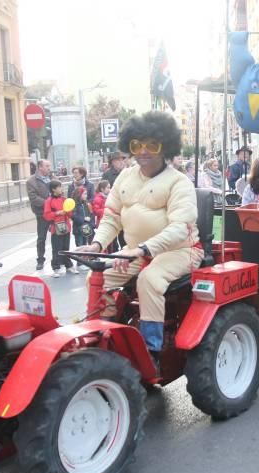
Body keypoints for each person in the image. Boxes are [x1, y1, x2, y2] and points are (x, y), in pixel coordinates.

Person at [77, 110, 203, 365]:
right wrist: (97, 244)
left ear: (164, 146)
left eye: (152, 145)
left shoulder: (179, 182)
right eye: (137, 145)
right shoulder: (125, 176)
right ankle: (105, 331)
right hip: (135, 251)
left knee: (149, 279)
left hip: (180, 251)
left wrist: (143, 249)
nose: (143, 151)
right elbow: (111, 216)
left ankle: (151, 351)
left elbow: (181, 228)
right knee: (97, 276)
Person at [43, 180, 77, 277]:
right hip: (56, 228)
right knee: (56, 248)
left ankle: (68, 266)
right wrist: (57, 213)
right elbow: (46, 215)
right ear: (54, 189)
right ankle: (56, 268)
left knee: (66, 247)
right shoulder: (49, 201)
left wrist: (70, 212)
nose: (61, 189)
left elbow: (70, 213)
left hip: (66, 226)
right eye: (59, 187)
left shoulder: (64, 199)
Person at [26, 159, 53, 271]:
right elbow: (33, 198)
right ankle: (40, 260)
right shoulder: (31, 181)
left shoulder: (52, 178)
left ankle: (59, 258)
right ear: (40, 167)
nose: (49, 168)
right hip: (41, 213)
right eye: (47, 166)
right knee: (41, 238)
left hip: (55, 212)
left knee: (58, 236)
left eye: (49, 166)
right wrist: (48, 203)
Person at [70, 176, 95, 268]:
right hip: (78, 229)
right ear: (79, 195)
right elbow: (73, 216)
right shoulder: (74, 205)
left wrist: (92, 224)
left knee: (85, 245)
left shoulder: (86, 204)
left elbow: (91, 214)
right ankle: (79, 263)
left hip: (86, 229)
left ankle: (85, 261)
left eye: (86, 194)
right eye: (84, 194)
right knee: (79, 245)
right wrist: (83, 219)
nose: (86, 196)